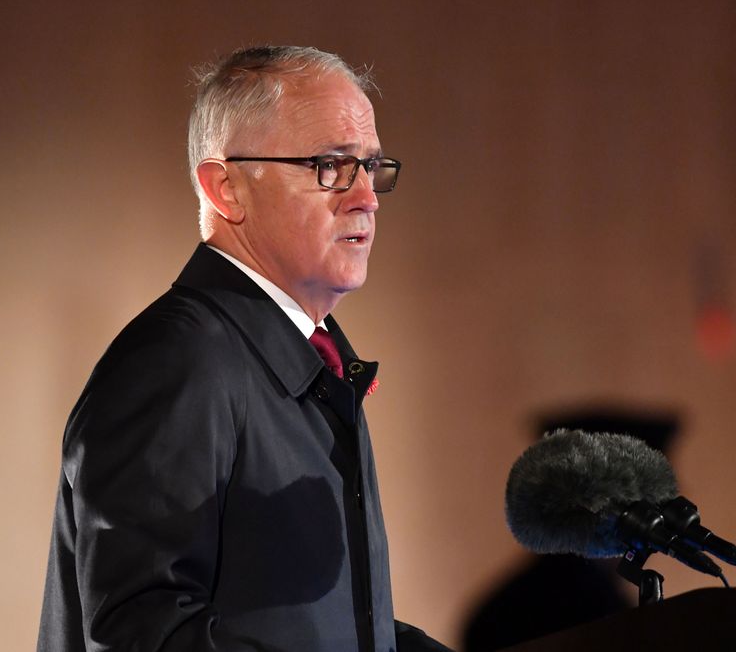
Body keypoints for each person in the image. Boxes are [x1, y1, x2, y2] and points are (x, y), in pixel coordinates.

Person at [38, 45, 449, 652]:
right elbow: (143, 631)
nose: (367, 197)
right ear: (225, 187)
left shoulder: (314, 356)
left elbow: (320, 629)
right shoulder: (177, 362)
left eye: (371, 166)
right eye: (330, 166)